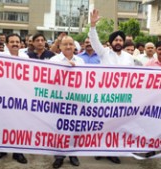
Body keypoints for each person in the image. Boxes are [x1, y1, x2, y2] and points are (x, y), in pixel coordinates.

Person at [89, 9, 134, 164]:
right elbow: (94, 41)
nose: (118, 42)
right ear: (111, 42)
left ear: (123, 43)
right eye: (115, 40)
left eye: (121, 40)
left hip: (122, 98)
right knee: (102, 124)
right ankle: (99, 149)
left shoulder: (129, 58)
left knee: (118, 125)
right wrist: (93, 25)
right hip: (104, 96)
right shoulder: (104, 53)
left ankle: (113, 151)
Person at [0, 33, 28, 164]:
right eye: (12, 42)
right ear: (7, 44)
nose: (15, 44)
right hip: (4, 98)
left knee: (19, 126)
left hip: (20, 98)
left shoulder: (26, 58)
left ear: (21, 44)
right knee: (3, 124)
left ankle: (18, 152)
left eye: (17, 42)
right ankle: (1, 149)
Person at [50, 36, 84, 168]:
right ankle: (59, 156)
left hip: (76, 101)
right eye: (65, 44)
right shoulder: (54, 60)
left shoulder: (81, 61)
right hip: (58, 101)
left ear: (75, 47)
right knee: (59, 129)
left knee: (74, 128)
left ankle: (73, 154)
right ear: (60, 47)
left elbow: (86, 80)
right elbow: (48, 79)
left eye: (71, 44)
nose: (68, 47)